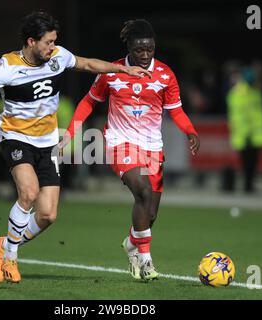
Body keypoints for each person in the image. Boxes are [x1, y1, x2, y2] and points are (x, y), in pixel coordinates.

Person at [0, 11, 150, 284]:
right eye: (48, 42)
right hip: (16, 138)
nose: (53, 46)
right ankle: (10, 257)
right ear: (31, 41)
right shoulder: (7, 66)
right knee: (29, 192)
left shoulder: (57, 56)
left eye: (54, 41)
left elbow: (87, 64)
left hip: (48, 142)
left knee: (48, 214)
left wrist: (123, 69)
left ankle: (6, 245)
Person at [58, 19, 199, 281]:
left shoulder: (165, 75)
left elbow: (176, 111)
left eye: (150, 49)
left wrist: (190, 131)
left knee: (151, 212)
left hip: (152, 147)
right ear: (129, 48)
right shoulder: (112, 71)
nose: (145, 55)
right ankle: (145, 261)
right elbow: (89, 102)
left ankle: (132, 243)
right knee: (143, 191)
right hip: (119, 142)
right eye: (139, 50)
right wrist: (70, 133)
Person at [226, 66, 262, 193]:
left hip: (254, 134)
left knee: (252, 162)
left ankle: (248, 185)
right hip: (243, 133)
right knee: (246, 162)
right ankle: (247, 185)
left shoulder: (254, 92)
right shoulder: (238, 93)